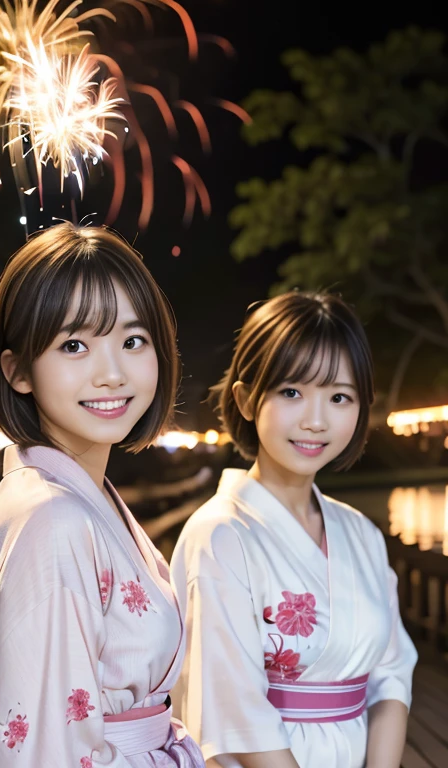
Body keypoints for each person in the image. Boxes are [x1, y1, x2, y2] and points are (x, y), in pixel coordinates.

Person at [0, 222, 204, 768]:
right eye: (74, 345)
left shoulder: (74, 495)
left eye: (132, 341)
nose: (112, 373)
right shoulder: (53, 519)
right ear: (18, 370)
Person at [170, 292, 417, 768]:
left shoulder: (361, 534)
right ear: (246, 399)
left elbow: (390, 674)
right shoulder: (220, 536)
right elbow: (232, 712)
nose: (316, 420)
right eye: (291, 392)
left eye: (339, 397)